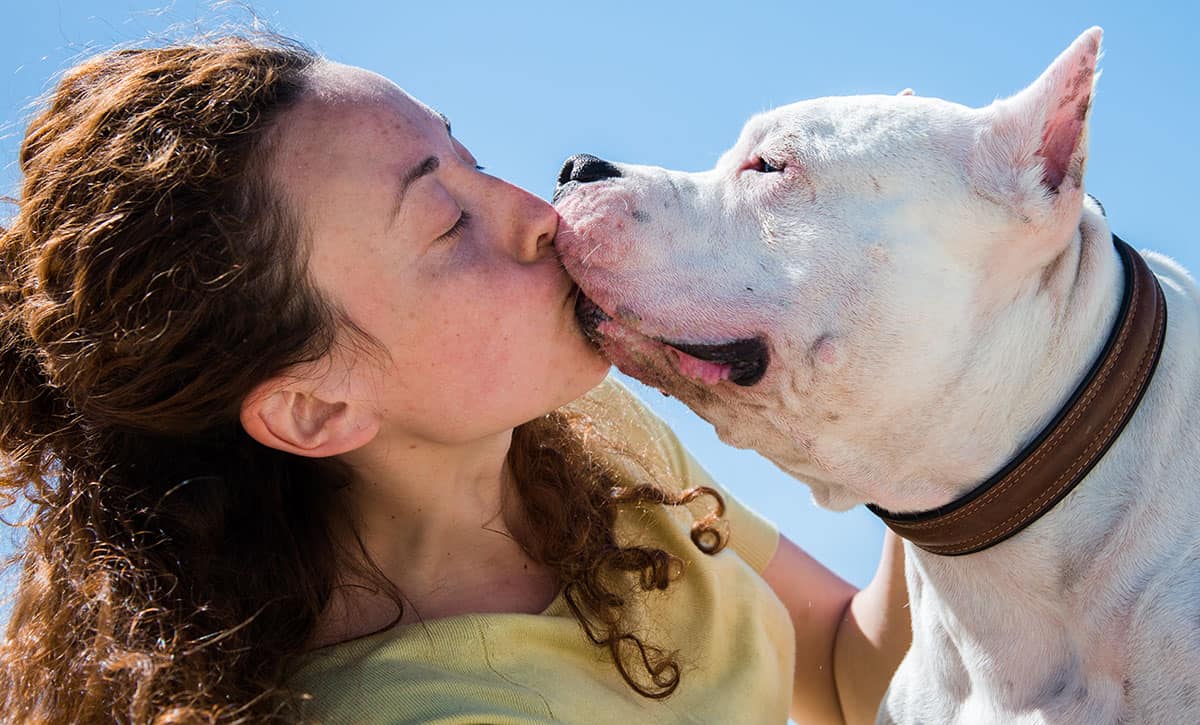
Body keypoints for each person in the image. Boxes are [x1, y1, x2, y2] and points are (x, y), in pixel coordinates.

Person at [0, 33, 909, 723]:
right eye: (446, 225)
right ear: (316, 407)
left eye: (467, 155)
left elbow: (841, 668)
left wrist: (924, 427)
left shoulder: (591, 433)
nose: (534, 213)